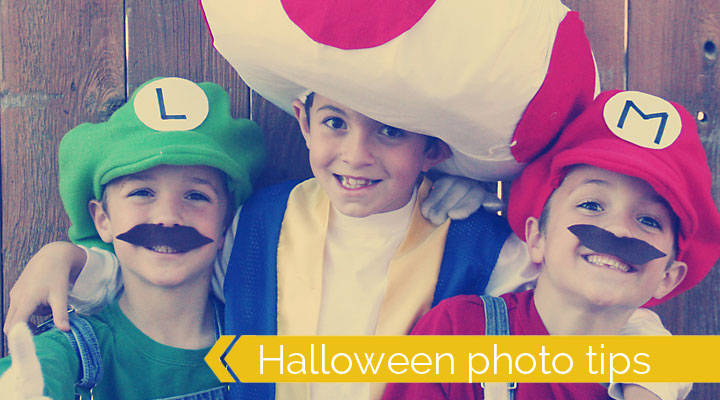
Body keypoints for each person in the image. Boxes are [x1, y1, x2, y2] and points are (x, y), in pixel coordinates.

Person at [5, 91, 686, 400]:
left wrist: (654, 375)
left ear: (433, 149)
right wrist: (73, 259)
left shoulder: (480, 242)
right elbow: (166, 262)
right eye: (335, 121)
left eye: (390, 131)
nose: (356, 153)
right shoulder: (258, 221)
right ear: (303, 120)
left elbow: (591, 300)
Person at [382, 90, 720, 400]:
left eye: (649, 221)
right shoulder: (458, 334)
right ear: (536, 238)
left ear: (669, 277)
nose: (618, 229)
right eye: (591, 205)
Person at [0, 76, 266, 399]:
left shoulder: (261, 347)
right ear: (103, 220)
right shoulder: (78, 351)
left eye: (196, 196)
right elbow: (40, 369)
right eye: (142, 192)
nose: (168, 216)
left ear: (224, 226)